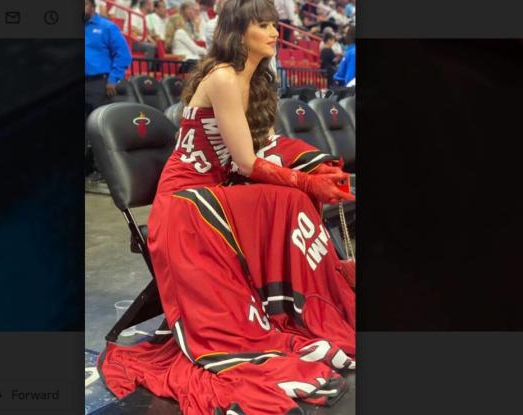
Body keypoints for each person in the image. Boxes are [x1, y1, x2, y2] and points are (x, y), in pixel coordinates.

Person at [98, 0, 356, 413]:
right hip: (187, 200)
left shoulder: (256, 79)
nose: (274, 32)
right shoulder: (221, 76)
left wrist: (317, 169)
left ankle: (299, 307)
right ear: (238, 31)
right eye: (263, 25)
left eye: (275, 24)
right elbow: (246, 162)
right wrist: (307, 182)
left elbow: (268, 147)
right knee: (288, 197)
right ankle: (283, 313)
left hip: (219, 188)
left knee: (291, 199)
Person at [84, 0, 132, 181]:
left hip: (98, 84)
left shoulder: (107, 27)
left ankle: (101, 170)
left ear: (92, 6)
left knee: (97, 128)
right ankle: (86, 169)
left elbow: (123, 54)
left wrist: (113, 78)